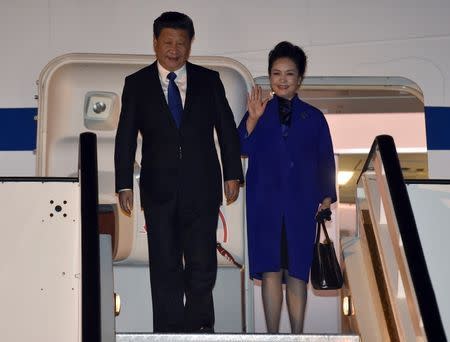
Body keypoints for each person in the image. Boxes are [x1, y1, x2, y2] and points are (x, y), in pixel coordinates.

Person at [114, 11, 243, 333]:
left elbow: (226, 129)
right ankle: (168, 332)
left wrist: (232, 173)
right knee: (165, 265)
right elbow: (126, 135)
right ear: (156, 42)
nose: (174, 49)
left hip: (203, 186)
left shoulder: (209, 80)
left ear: (190, 44)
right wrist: (122, 184)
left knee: (202, 264)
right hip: (158, 190)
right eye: (168, 42)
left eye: (181, 43)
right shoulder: (137, 83)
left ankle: (199, 328)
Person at [238, 41, 336, 333]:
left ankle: (297, 336)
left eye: (289, 74)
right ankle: (271, 336)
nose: (282, 79)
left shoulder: (315, 117)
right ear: (270, 77)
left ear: (300, 79)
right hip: (264, 201)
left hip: (301, 201)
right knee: (269, 269)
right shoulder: (258, 110)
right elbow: (241, 146)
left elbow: (325, 159)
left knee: (296, 271)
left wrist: (327, 195)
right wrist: (253, 119)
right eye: (276, 73)